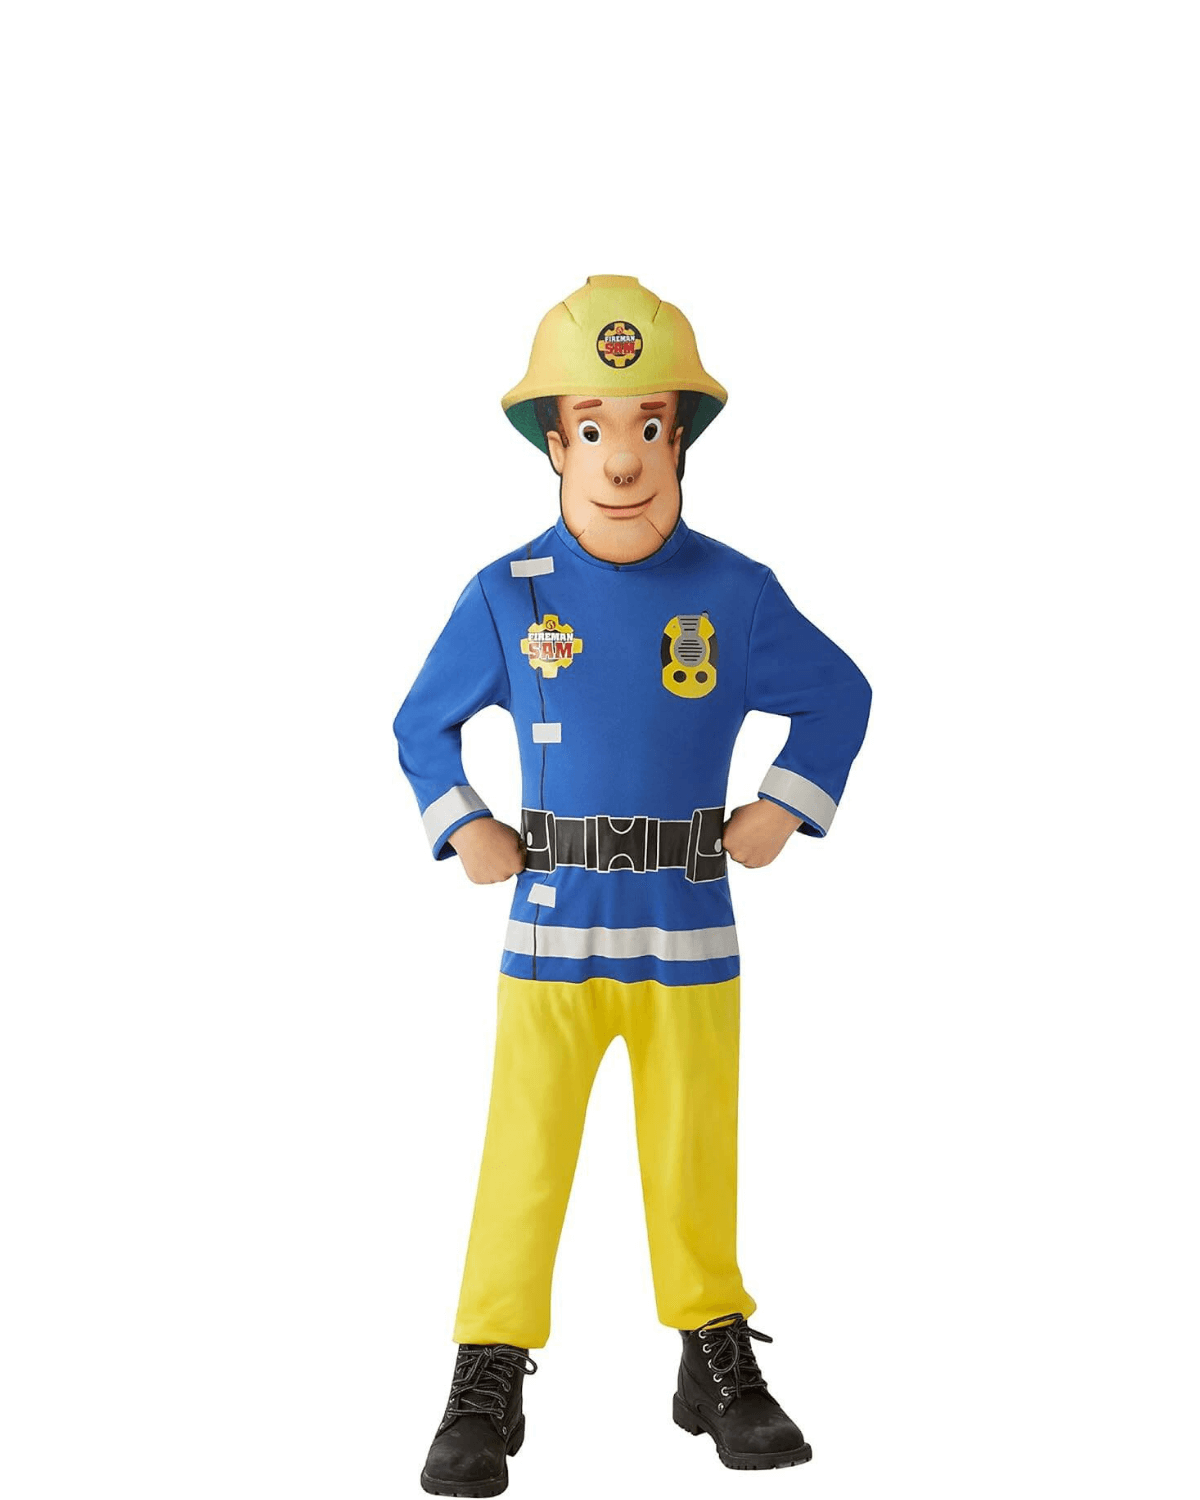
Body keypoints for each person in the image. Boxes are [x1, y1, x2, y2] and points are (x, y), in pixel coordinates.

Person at [394, 275, 872, 1495]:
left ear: (681, 440)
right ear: (555, 444)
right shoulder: (508, 592)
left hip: (688, 927)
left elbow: (840, 694)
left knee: (694, 1146)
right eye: (594, 427)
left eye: (649, 425)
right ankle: (487, 1362)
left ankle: (712, 1350)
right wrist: (464, 824)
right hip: (552, 929)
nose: (622, 459)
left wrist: (783, 805)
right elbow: (418, 725)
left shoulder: (735, 593)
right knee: (526, 1149)